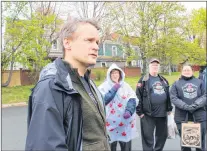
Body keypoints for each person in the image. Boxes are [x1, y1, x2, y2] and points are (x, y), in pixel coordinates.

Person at [25, 18, 110, 151]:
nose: (96, 47)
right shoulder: (52, 86)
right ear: (67, 43)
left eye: (97, 42)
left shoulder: (89, 84)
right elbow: (45, 146)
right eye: (89, 40)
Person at [98, 63, 139, 151]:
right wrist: (114, 88)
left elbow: (132, 98)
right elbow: (102, 101)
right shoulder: (103, 87)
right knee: (110, 147)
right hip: (110, 124)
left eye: (116, 73)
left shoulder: (125, 86)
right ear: (109, 74)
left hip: (124, 123)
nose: (115, 75)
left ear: (120, 74)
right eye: (112, 73)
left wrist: (129, 111)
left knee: (126, 146)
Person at [136, 58, 173, 151]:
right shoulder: (143, 80)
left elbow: (168, 95)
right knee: (147, 137)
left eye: (157, 65)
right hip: (148, 114)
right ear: (149, 67)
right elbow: (137, 96)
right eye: (153, 65)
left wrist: (169, 109)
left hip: (162, 114)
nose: (155, 67)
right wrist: (139, 112)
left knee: (161, 137)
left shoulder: (163, 80)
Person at [170, 64, 206, 151]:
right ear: (182, 71)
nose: (187, 71)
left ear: (192, 71)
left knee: (200, 143)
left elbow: (205, 95)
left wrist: (195, 105)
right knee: (185, 144)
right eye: (185, 70)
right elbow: (173, 97)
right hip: (182, 117)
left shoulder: (200, 82)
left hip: (199, 116)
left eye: (188, 70)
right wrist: (185, 106)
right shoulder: (176, 84)